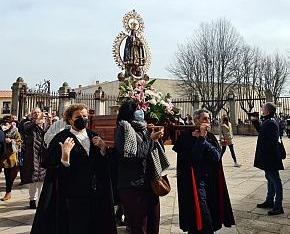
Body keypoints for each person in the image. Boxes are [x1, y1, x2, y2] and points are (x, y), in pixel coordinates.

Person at [31, 103, 116, 234]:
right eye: (78, 117)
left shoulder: (93, 135)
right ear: (70, 119)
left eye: (85, 116)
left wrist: (103, 148)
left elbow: (102, 165)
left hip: (94, 192)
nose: (83, 119)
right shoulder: (62, 138)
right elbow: (56, 172)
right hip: (73, 194)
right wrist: (65, 155)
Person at [173, 109, 235, 233]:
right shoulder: (186, 136)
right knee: (202, 214)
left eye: (208, 118)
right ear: (196, 121)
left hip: (210, 181)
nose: (208, 121)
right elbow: (194, 158)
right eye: (204, 119)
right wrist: (200, 138)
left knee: (211, 211)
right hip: (195, 182)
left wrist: (204, 140)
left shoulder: (210, 136)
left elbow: (217, 156)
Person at [114, 99, 168, 234]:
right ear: (131, 113)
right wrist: (152, 139)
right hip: (133, 187)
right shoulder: (123, 130)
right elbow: (135, 155)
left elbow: (154, 151)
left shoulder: (144, 130)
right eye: (138, 108)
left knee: (153, 226)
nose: (141, 111)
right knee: (140, 228)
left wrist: (157, 138)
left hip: (150, 184)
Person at [251, 102, 284, 215]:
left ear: (267, 111)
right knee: (269, 177)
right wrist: (255, 121)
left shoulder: (271, 122)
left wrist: (262, 147)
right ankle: (270, 200)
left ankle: (278, 205)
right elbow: (262, 132)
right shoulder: (268, 121)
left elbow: (272, 140)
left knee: (275, 179)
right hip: (267, 155)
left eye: (263, 108)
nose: (261, 109)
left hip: (270, 156)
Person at [21, 107, 47, 209]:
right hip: (32, 154)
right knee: (32, 179)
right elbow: (26, 130)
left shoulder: (46, 124)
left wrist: (46, 121)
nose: (36, 114)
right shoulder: (28, 123)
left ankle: (40, 201)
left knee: (42, 179)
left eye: (38, 112)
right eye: (34, 113)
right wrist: (36, 122)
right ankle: (32, 199)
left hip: (43, 154)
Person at [0, 115, 23, 201]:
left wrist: (11, 142)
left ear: (10, 124)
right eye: (2, 124)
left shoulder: (15, 132)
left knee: (8, 175)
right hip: (1, 155)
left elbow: (19, 143)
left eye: (5, 123)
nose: (4, 125)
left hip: (10, 157)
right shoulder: (1, 131)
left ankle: (8, 191)